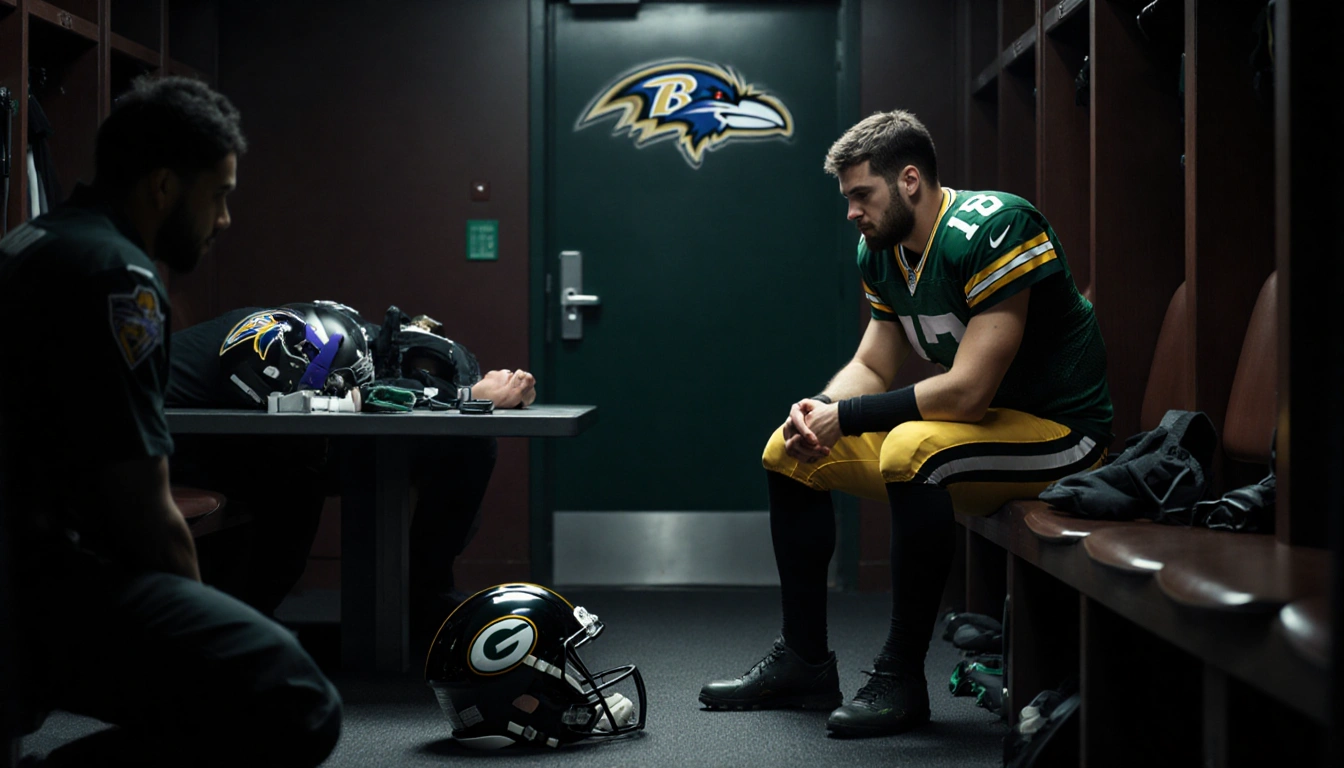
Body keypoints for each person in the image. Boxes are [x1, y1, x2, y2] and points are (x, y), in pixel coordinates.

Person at [699, 110, 1112, 738]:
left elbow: (969, 393)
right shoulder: (882, 250)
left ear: (910, 180)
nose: (851, 212)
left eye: (862, 194)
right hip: (986, 429)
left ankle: (901, 676)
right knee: (786, 453)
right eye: (847, 198)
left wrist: (853, 416)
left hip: (1062, 435)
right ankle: (805, 661)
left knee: (914, 450)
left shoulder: (995, 226)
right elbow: (873, 361)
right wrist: (818, 411)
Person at [0, 76, 341, 767]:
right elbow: (143, 507)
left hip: (24, 557)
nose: (225, 220)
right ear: (162, 187)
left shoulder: (33, 238)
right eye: (218, 194)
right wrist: (201, 643)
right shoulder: (119, 278)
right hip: (30, 578)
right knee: (295, 697)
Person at [165, 300, 536, 654]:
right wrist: (465, 395)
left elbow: (348, 375)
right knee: (300, 475)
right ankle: (245, 624)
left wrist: (470, 392)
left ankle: (422, 599)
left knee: (463, 446)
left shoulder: (304, 331)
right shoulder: (250, 356)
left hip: (239, 434)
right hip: (177, 449)